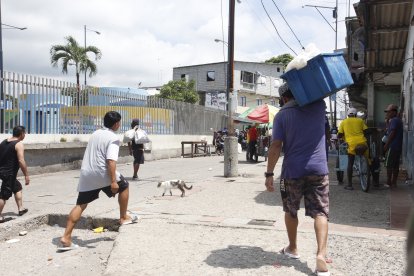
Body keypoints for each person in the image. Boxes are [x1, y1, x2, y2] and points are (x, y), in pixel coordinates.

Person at [265, 83, 330, 276]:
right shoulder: (318, 107)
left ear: (284, 98)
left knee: (290, 210)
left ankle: (292, 248)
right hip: (319, 169)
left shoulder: (281, 115)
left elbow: (276, 146)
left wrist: (269, 174)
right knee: (321, 212)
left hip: (291, 172)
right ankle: (321, 254)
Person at [59, 111, 136, 251]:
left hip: (87, 172)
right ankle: (123, 217)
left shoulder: (95, 133)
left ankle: (66, 237)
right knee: (124, 186)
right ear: (116, 123)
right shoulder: (113, 138)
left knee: (80, 205)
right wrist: (113, 181)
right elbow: (111, 161)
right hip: (103, 172)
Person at [0, 126, 30, 222]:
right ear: (21, 134)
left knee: (17, 187)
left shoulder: (4, 142)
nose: (25, 135)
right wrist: (26, 175)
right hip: (9, 173)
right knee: (4, 195)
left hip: (3, 171)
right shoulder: (19, 144)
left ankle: (21, 209)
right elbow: (21, 161)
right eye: (24, 133)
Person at [337, 108, 369, 190]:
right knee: (368, 158)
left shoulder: (344, 122)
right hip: (362, 143)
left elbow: (340, 134)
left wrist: (339, 137)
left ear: (348, 115)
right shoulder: (360, 121)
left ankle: (350, 185)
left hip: (351, 144)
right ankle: (369, 172)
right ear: (355, 115)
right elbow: (366, 131)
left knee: (350, 163)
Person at [383, 104, 403, 189]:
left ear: (394, 112)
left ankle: (389, 182)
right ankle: (394, 183)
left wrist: (387, 145)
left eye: (389, 112)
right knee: (395, 165)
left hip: (392, 145)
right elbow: (390, 130)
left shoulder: (394, 120)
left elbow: (392, 133)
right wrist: (387, 121)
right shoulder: (397, 120)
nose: (387, 113)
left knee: (389, 165)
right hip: (398, 146)